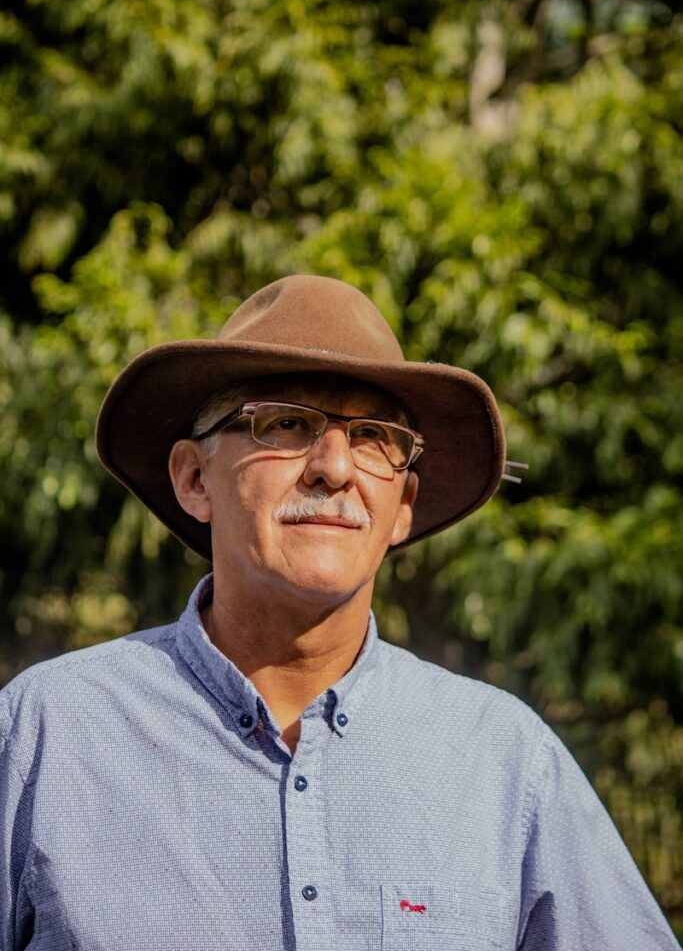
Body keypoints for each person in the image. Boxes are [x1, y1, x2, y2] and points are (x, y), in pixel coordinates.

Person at [0, 275, 678, 951]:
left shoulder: (504, 761)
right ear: (193, 479)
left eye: (373, 437)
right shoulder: (46, 736)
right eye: (285, 423)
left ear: (402, 505)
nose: (334, 468)